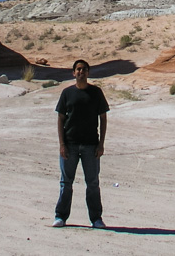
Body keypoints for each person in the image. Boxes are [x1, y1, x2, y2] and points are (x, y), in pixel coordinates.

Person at [53, 59, 109, 228]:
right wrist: (62, 144)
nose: (81, 72)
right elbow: (61, 118)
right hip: (70, 144)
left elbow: (103, 118)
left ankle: (96, 219)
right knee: (66, 183)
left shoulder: (96, 93)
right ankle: (60, 217)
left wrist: (101, 144)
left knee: (92, 183)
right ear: (73, 73)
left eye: (84, 69)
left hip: (91, 145)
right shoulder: (67, 93)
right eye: (78, 69)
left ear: (88, 73)